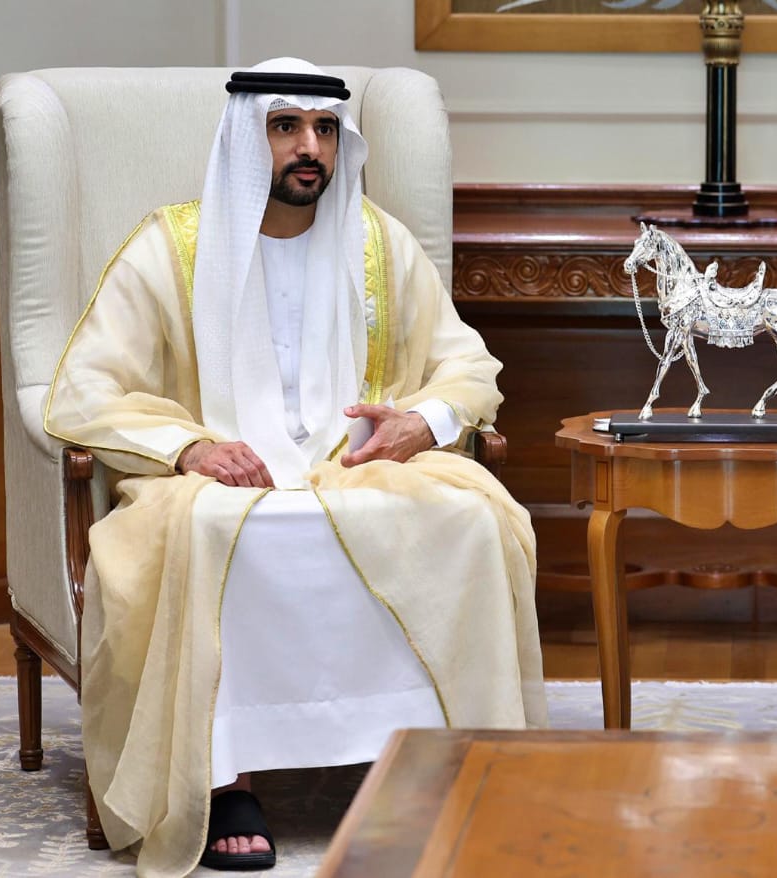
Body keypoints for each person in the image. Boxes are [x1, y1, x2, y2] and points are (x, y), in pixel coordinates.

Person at [45, 58, 545, 876]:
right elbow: (83, 390)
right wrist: (190, 448)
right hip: (217, 479)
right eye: (286, 127)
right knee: (213, 532)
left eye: (323, 130)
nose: (309, 148)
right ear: (249, 138)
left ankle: (431, 763)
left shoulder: (379, 243)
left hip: (357, 466)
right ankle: (224, 780)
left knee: (472, 518)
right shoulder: (169, 248)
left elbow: (467, 364)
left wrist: (420, 422)